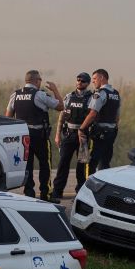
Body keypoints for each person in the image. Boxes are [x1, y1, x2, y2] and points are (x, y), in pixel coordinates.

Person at [5, 70, 63, 202]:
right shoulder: (39, 95)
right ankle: (46, 194)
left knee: (27, 166)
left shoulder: (15, 95)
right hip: (39, 136)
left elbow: (8, 117)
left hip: (22, 137)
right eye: (40, 80)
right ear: (36, 81)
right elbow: (61, 106)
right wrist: (55, 90)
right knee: (45, 165)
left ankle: (29, 194)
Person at [50, 72, 93, 202]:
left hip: (83, 135)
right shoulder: (69, 97)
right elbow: (62, 116)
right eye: (78, 80)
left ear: (87, 83)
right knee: (63, 163)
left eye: (83, 81)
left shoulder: (92, 98)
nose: (79, 82)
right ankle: (57, 191)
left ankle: (80, 192)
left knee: (82, 166)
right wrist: (58, 135)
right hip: (68, 134)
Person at [78, 68, 121, 175]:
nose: (93, 81)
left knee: (91, 163)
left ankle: (88, 188)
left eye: (94, 79)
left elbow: (92, 113)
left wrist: (82, 128)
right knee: (105, 162)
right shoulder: (116, 94)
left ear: (102, 78)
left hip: (99, 133)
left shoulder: (100, 93)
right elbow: (117, 117)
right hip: (111, 133)